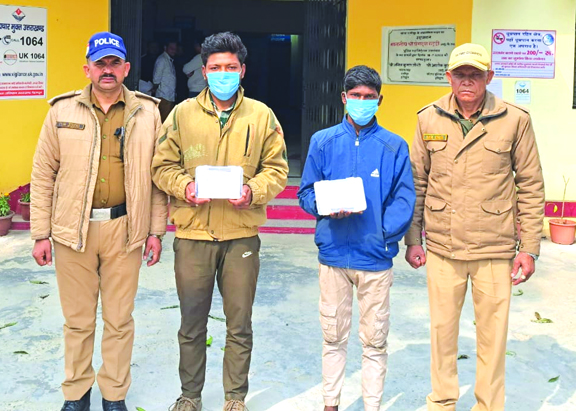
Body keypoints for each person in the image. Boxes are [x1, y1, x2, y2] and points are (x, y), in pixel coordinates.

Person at [30, 31, 167, 411]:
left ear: (126, 68)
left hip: (125, 230)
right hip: (72, 232)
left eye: (114, 63)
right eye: (100, 63)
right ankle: (76, 394)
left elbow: (157, 179)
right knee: (77, 321)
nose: (107, 70)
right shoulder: (61, 112)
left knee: (120, 320)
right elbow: (43, 174)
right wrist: (40, 233)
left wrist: (156, 231)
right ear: (87, 69)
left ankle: (114, 395)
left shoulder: (148, 113)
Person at [151, 31, 289, 411]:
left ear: (242, 70)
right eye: (215, 68)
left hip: (240, 234)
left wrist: (253, 191)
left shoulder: (261, 116)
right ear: (204, 71)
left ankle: (235, 397)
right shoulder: (181, 115)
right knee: (191, 324)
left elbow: (276, 169)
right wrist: (185, 187)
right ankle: (190, 395)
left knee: (239, 324)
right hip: (193, 233)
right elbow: (161, 166)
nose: (223, 74)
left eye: (230, 67)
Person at [404, 43, 545, 411]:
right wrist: (413, 239)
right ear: (449, 77)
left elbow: (530, 185)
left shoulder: (514, 119)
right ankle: (442, 401)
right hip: (443, 246)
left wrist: (530, 248)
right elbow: (417, 182)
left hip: (494, 248)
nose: (467, 81)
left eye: (475, 74)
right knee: (442, 333)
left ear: (489, 77)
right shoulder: (429, 119)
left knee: (493, 337)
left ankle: (488, 406)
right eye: (460, 74)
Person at [298, 65, 416, 411]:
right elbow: (306, 192)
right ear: (344, 98)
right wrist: (324, 207)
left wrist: (383, 234)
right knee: (333, 336)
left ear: (380, 100)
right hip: (333, 254)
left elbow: (404, 199)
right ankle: (330, 404)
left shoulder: (394, 146)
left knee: (375, 340)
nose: (362, 102)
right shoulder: (322, 142)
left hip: (374, 258)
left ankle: (371, 405)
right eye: (356, 96)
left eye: (369, 97)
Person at [152, 40, 177, 121]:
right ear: (165, 48)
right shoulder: (162, 60)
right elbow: (156, 78)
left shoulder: (168, 60)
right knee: (164, 121)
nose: (174, 50)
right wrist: (155, 88)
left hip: (169, 96)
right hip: (163, 96)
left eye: (175, 49)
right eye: (171, 48)